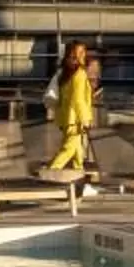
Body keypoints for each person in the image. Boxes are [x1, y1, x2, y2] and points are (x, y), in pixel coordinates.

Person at [44, 42, 97, 176]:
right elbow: (78, 100)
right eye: (82, 53)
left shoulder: (65, 74)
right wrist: (85, 119)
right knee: (69, 148)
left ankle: (79, 176)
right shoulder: (79, 74)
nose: (84, 55)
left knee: (78, 151)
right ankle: (51, 172)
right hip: (75, 119)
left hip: (66, 117)